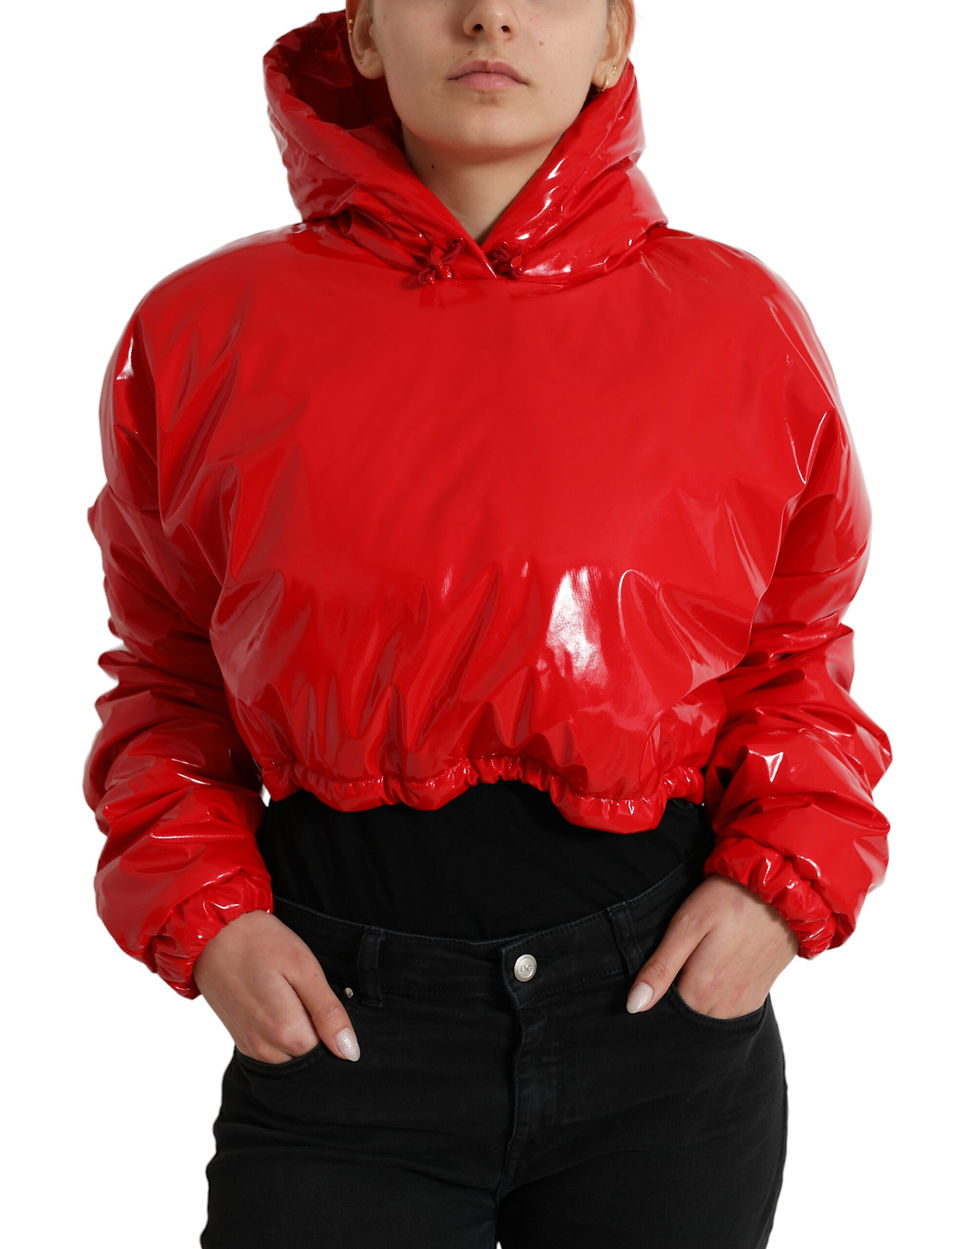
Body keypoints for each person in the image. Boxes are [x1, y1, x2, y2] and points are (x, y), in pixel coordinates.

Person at [83, 3, 893, 1246]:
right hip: (341, 1031)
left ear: (614, 38)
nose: (489, 15)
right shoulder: (201, 333)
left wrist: (779, 886)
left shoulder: (739, 326)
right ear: (363, 32)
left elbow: (794, 650)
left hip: (662, 1030)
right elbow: (168, 674)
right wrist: (212, 918)